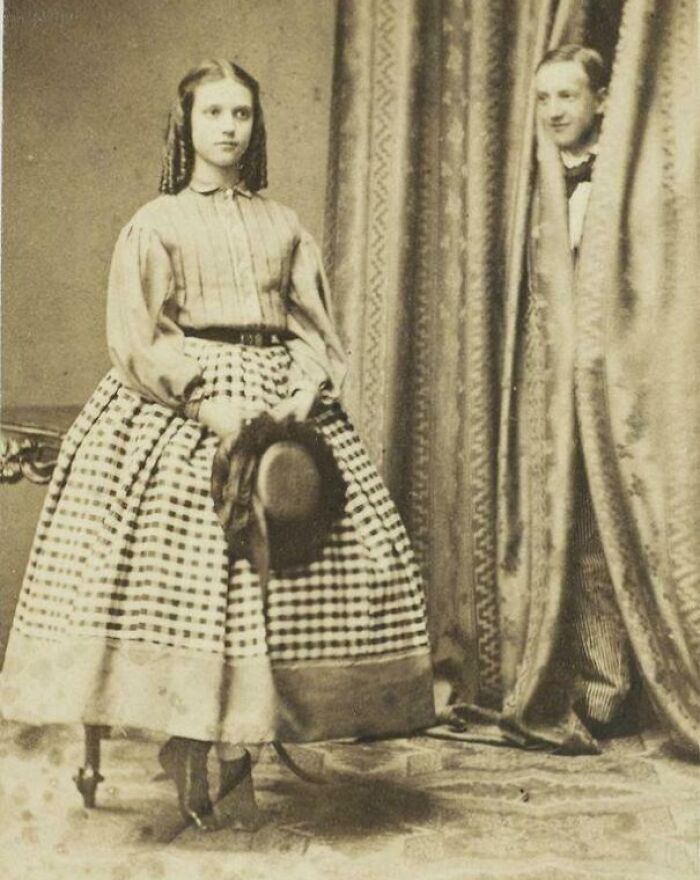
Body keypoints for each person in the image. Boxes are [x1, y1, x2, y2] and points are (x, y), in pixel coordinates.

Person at [0, 58, 435, 829]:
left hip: (282, 395)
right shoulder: (156, 223)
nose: (229, 128)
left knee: (313, 548)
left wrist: (306, 390)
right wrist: (205, 403)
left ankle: (250, 741)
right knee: (201, 563)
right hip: (187, 400)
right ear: (187, 126)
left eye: (241, 115)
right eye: (214, 114)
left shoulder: (283, 224)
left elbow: (312, 328)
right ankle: (193, 737)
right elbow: (138, 335)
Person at [533, 44, 633, 737]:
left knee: (600, 535)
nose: (555, 110)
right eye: (543, 99)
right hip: (541, 378)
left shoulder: (622, 182)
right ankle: (536, 679)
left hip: (604, 371)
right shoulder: (531, 185)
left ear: (600, 100)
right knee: (545, 525)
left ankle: (605, 694)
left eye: (568, 96)